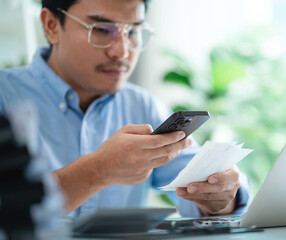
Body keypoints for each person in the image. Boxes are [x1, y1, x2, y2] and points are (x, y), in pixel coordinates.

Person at [0, 0, 250, 218]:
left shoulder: (142, 105)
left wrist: (221, 195)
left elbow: (202, 184)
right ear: (52, 25)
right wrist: (97, 170)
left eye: (133, 31)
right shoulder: (4, 96)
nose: (121, 51)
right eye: (99, 29)